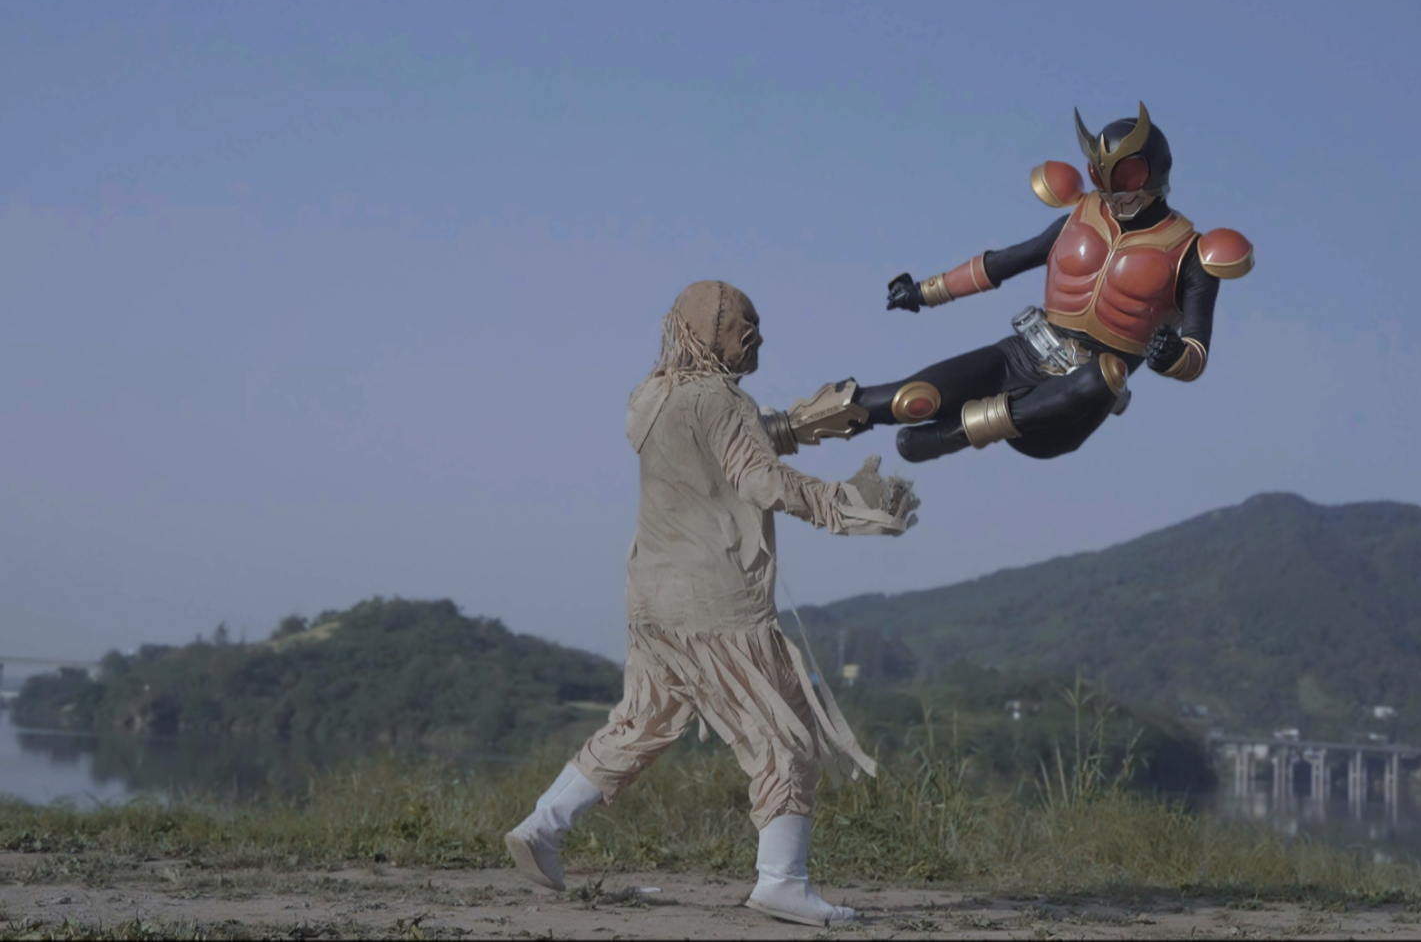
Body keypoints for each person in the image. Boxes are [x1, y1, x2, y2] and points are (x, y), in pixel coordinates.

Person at [504, 280, 918, 929]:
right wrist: (847, 503)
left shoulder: (652, 396)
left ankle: (542, 826)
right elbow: (758, 478)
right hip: (717, 608)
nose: (756, 340)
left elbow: (709, 446)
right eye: (744, 330)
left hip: (652, 600)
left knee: (640, 723)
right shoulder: (722, 401)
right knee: (785, 735)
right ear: (714, 336)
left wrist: (789, 426)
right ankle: (782, 882)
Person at [761, 103, 1255, 464]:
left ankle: (959, 432)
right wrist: (926, 291)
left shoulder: (1192, 252)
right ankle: (783, 428)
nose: (1109, 185)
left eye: (1123, 173)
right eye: (1100, 172)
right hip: (1024, 353)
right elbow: (1004, 263)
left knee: (1105, 375)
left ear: (1153, 171)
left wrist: (1172, 357)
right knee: (912, 397)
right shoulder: (1079, 217)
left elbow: (1196, 353)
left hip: (1066, 405)